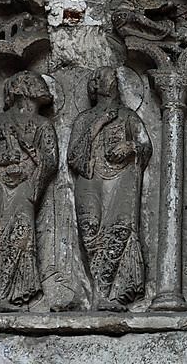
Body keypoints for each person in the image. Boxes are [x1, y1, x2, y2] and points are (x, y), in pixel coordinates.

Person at [68, 67, 152, 312]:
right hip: (90, 176)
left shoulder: (128, 116)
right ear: (94, 86)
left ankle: (108, 293)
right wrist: (99, 124)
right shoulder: (83, 119)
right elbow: (73, 156)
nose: (112, 82)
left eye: (114, 79)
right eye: (105, 78)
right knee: (90, 228)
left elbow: (145, 145)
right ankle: (94, 290)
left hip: (122, 178)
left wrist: (131, 147)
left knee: (119, 230)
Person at [0, 71, 58, 312]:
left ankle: (13, 295)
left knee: (20, 232)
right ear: (20, 89)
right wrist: (1, 158)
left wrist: (27, 167)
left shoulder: (44, 125)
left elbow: (51, 160)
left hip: (25, 183)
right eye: (32, 82)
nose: (39, 86)